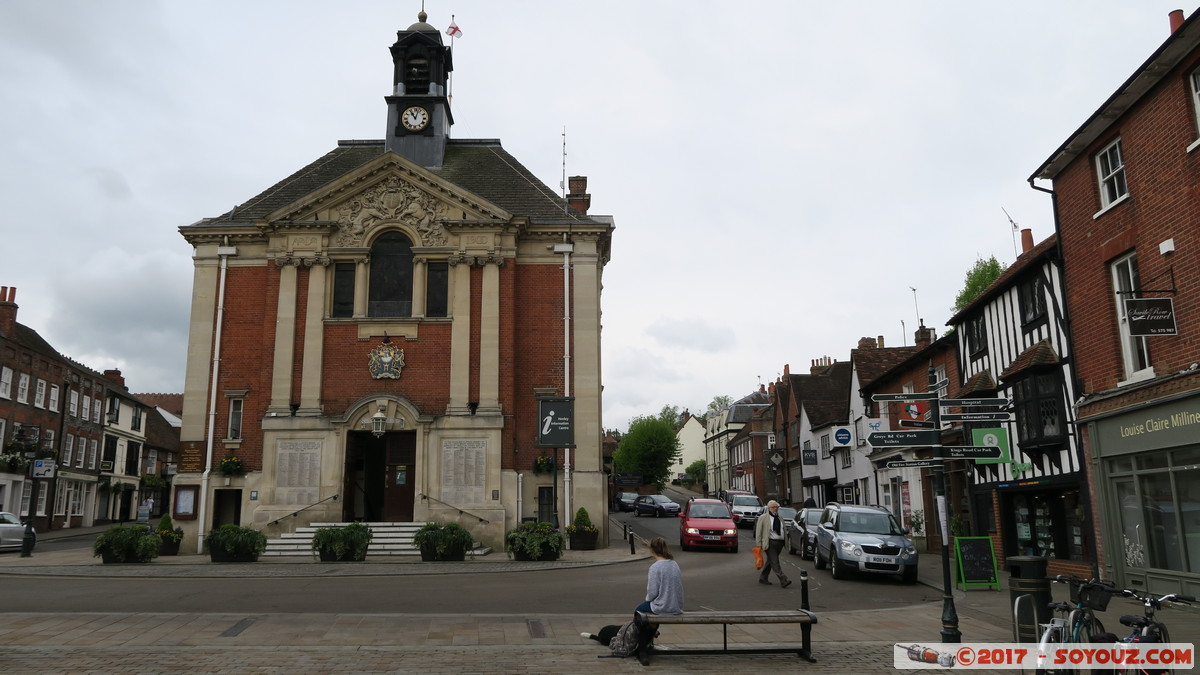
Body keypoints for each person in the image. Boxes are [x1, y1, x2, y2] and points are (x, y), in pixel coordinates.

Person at [635, 537, 684, 617]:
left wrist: (648, 600)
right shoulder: (674, 564)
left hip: (662, 607)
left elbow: (652, 592)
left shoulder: (655, 567)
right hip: (676, 606)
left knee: (638, 610)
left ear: (652, 550)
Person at [755, 500, 792, 588]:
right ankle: (783, 579)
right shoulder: (763, 517)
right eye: (773, 507)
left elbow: (783, 530)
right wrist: (759, 544)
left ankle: (763, 578)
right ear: (769, 508)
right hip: (770, 543)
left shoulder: (780, 518)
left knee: (771, 561)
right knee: (775, 561)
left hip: (780, 543)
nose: (775, 509)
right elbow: (758, 531)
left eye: (777, 507)